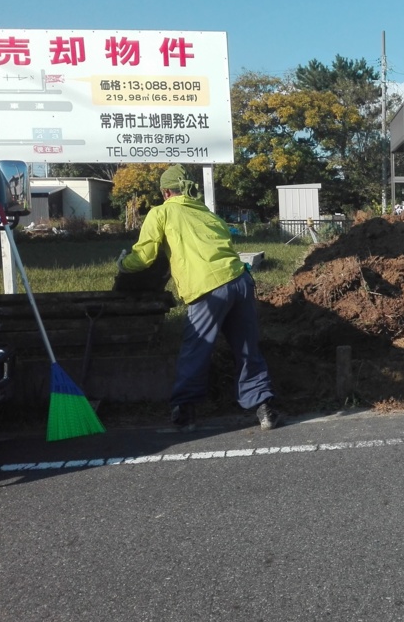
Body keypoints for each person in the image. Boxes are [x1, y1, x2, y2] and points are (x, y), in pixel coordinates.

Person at [117, 164, 281, 431]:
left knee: (197, 349)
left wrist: (124, 265)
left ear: (166, 191)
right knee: (247, 348)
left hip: (208, 289)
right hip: (240, 281)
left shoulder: (162, 212)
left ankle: (185, 412)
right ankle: (264, 409)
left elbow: (145, 255)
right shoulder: (207, 213)